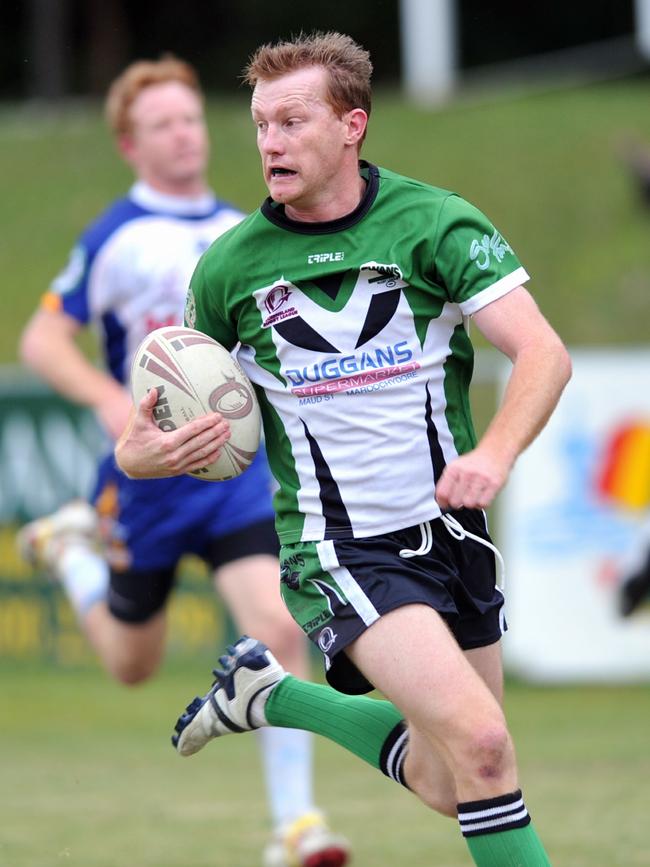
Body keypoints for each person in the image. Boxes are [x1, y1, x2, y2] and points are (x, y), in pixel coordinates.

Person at [115, 32, 572, 867]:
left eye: (292, 121)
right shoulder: (228, 270)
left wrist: (496, 455)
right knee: (485, 745)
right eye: (260, 125)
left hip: (452, 534)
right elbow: (142, 443)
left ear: (352, 125)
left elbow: (543, 353)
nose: (270, 143)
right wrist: (147, 452)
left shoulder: (434, 224)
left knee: (452, 777)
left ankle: (271, 693)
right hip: (338, 548)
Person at [17, 55, 350, 867]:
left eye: (193, 117)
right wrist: (105, 400)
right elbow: (41, 339)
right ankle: (72, 553)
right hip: (148, 483)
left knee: (277, 625)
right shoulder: (116, 235)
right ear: (131, 144)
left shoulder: (248, 230)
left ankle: (297, 824)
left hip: (234, 478)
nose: (184, 134)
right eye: (163, 123)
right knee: (133, 663)